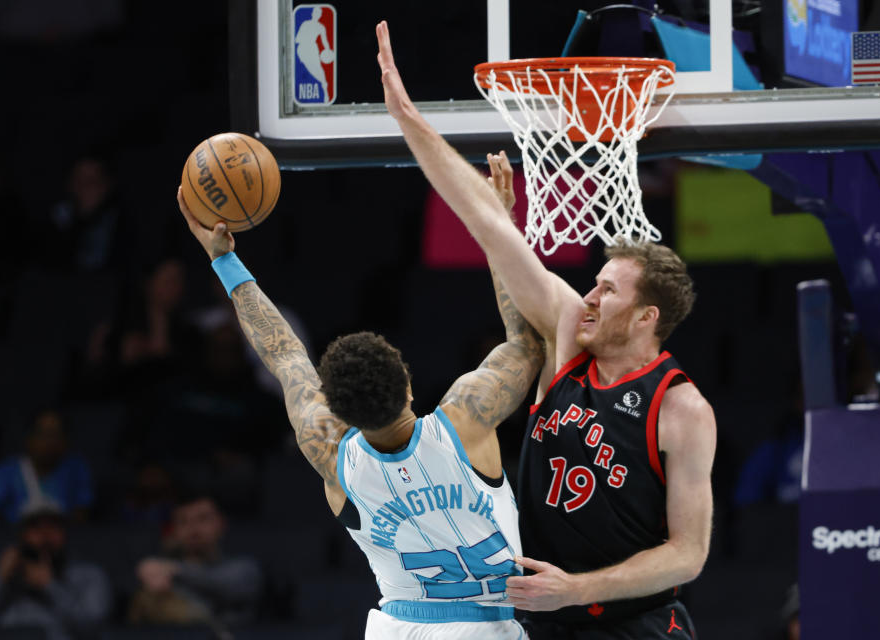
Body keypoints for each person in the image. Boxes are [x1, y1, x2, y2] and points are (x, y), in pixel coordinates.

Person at [376, 20, 716, 639]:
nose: (589, 294)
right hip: (545, 622)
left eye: (608, 289)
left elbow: (687, 554)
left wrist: (575, 590)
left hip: (636, 625)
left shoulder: (682, 407)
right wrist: (408, 118)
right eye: (594, 282)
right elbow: (486, 221)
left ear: (647, 318)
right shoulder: (569, 338)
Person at [175, 147, 544, 638]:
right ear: (409, 382)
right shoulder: (465, 420)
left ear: (338, 409)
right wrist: (501, 221)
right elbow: (525, 341)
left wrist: (224, 260)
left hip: (397, 628)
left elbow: (285, 356)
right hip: (487, 628)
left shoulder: (332, 453)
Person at [0, 498, 111, 640]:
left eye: (53, 526)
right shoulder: (2, 574)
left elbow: (92, 629)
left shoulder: (89, 576)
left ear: (65, 533)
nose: (45, 535)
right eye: (36, 527)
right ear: (22, 535)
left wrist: (50, 586)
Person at [129, 493, 262, 628]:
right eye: (183, 521)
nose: (193, 529)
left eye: (203, 519)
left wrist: (172, 569)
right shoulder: (159, 577)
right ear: (174, 530)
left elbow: (227, 586)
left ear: (221, 524)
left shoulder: (243, 569)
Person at [0, 408, 94, 525]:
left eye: (56, 434)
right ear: (29, 439)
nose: (50, 441)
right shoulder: (3, 473)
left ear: (65, 440)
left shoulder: (76, 470)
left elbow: (81, 517)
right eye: (43, 434)